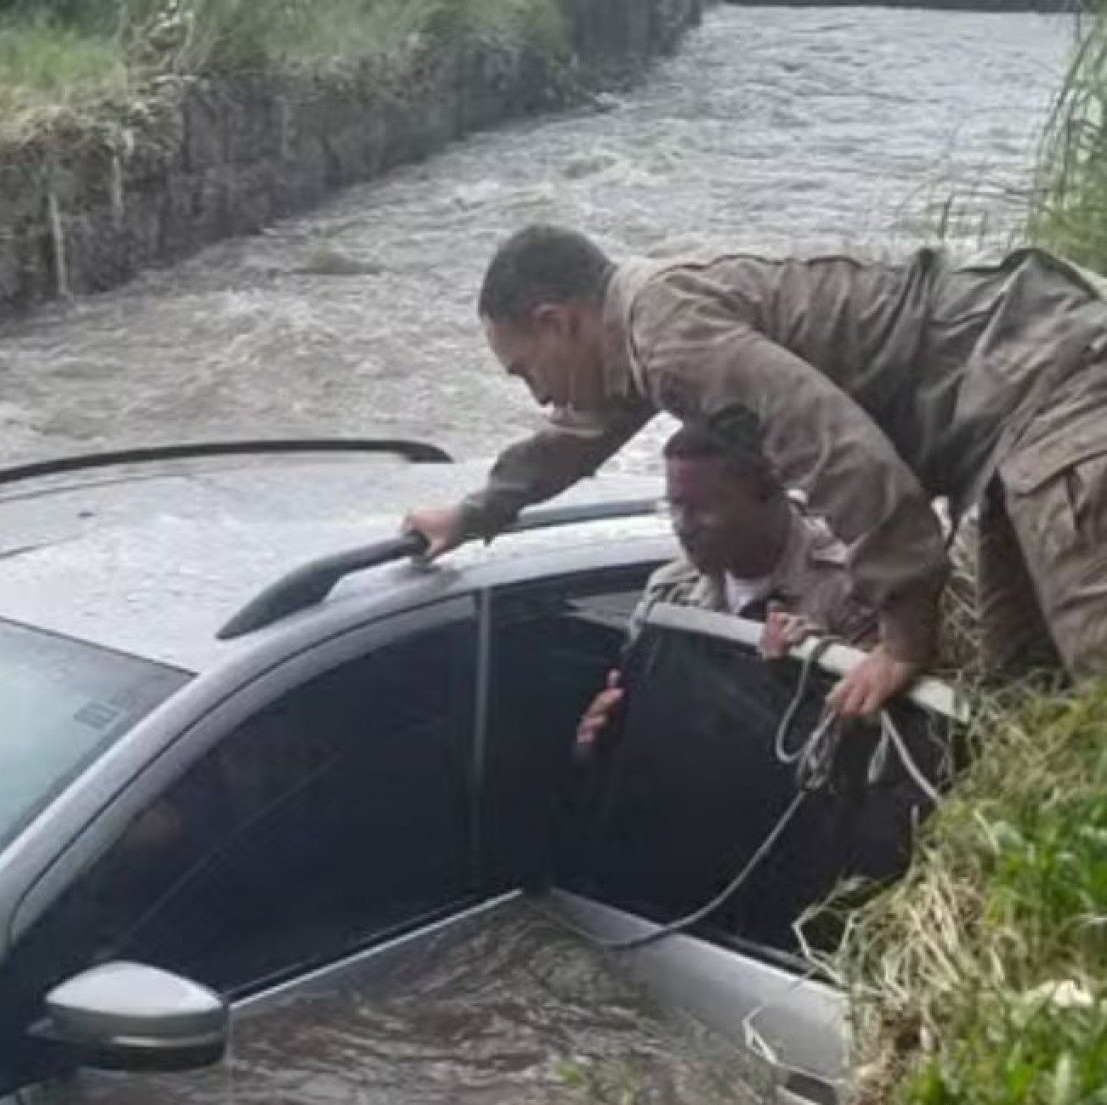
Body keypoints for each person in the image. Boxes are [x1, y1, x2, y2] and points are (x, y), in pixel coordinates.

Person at [405, 226, 1107, 715]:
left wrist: (902, 641)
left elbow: (844, 456)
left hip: (1056, 378)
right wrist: (473, 516)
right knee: (1032, 697)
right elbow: (578, 435)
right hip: (1013, 406)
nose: (537, 395)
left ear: (558, 322)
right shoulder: (642, 328)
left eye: (526, 369)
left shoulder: (668, 338)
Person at [575, 413, 878, 758]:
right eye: (675, 506)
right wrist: (598, 741)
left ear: (768, 494)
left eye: (701, 509)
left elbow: (874, 753)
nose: (682, 526)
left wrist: (812, 666)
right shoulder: (670, 594)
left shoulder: (856, 590)